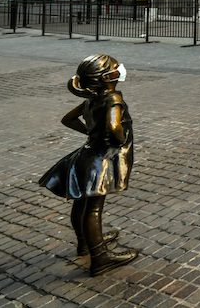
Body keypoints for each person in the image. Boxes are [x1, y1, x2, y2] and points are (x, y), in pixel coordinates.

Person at [39, 54, 138, 276]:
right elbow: (114, 127)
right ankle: (100, 257)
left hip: (87, 154)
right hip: (99, 160)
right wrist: (119, 139)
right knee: (93, 208)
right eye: (115, 67)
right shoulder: (113, 99)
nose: (120, 68)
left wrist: (91, 133)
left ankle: (86, 243)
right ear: (107, 77)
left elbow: (68, 119)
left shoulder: (92, 99)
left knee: (81, 203)